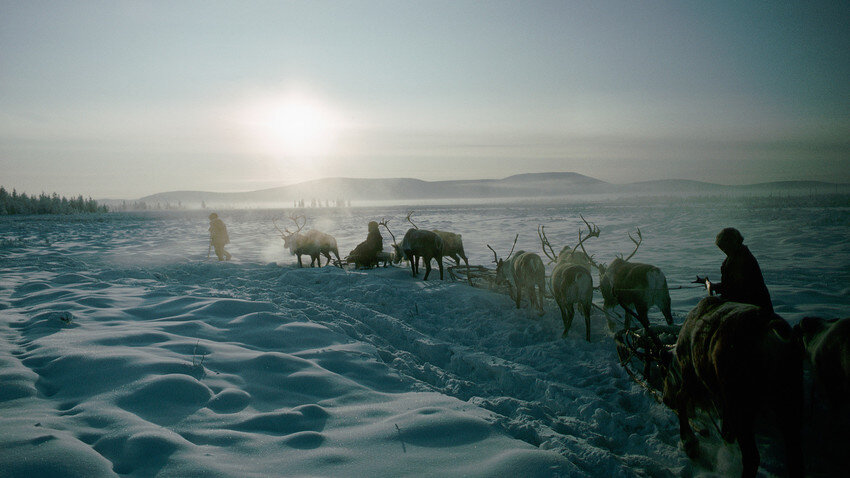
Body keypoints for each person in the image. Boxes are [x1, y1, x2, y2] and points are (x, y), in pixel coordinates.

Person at [696, 227, 773, 312]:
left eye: (724, 247)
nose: (724, 251)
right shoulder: (737, 256)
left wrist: (714, 287)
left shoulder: (741, 259)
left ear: (733, 243)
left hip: (751, 304)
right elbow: (731, 285)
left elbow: (737, 288)